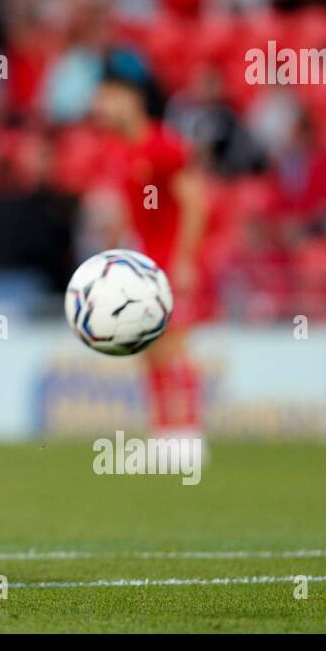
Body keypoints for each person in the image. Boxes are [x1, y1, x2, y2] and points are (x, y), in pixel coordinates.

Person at [92, 74, 209, 443]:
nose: (102, 107)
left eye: (109, 97)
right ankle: (163, 431)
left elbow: (195, 202)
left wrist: (185, 260)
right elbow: (133, 208)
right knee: (148, 349)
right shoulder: (121, 150)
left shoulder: (163, 146)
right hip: (144, 263)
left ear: (132, 99)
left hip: (170, 260)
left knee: (174, 347)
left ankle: (188, 431)